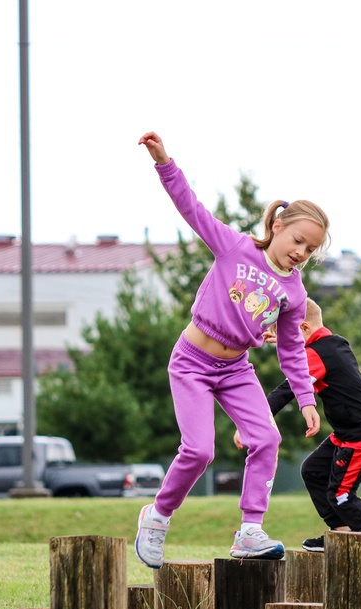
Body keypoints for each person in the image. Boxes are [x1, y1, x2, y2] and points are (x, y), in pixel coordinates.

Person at [134, 131, 328, 569]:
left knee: (268, 438)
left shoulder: (294, 293)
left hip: (235, 369)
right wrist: (165, 162)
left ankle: (249, 531)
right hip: (192, 362)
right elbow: (192, 208)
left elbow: (293, 350)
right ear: (277, 226)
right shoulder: (234, 247)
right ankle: (158, 516)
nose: (301, 252)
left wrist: (305, 398)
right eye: (297, 240)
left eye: (310, 249)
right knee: (199, 450)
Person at [238, 299, 361, 569]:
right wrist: (282, 339)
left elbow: (287, 389)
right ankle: (342, 532)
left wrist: (251, 421)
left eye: (288, 334)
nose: (286, 342)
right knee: (312, 470)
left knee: (342, 494)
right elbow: (305, 352)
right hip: (347, 432)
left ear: (302, 327)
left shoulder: (317, 354)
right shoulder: (332, 345)